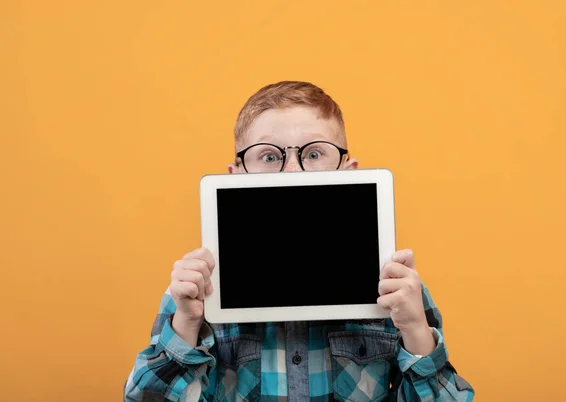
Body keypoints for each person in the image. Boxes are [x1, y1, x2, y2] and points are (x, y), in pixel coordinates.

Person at [124, 81, 475, 402]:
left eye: (313, 153)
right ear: (235, 175)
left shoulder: (395, 288)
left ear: (347, 170)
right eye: (269, 155)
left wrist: (415, 330)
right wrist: (186, 324)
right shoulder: (195, 291)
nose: (293, 170)